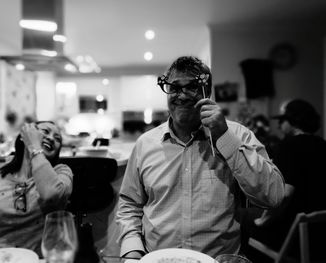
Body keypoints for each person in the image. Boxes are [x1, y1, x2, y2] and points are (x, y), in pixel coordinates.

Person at [116, 56, 285, 259]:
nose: (183, 95)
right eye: (175, 87)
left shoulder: (238, 135)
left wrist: (224, 138)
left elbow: (273, 196)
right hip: (158, 258)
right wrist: (132, 250)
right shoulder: (145, 144)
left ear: (207, 92)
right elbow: (129, 205)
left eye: (193, 87)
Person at [243, 99, 326, 262]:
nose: (280, 125)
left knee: (242, 216)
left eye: (282, 120)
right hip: (320, 235)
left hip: (294, 237)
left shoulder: (290, 145)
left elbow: (285, 195)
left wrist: (263, 221)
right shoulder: (323, 145)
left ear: (293, 121)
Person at [0, 121, 73, 257]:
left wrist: (34, 147)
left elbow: (51, 194)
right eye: (45, 132)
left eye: (57, 139)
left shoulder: (61, 173)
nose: (51, 138)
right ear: (24, 136)